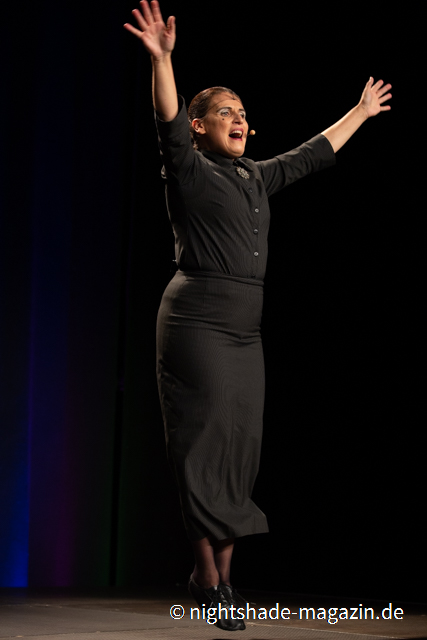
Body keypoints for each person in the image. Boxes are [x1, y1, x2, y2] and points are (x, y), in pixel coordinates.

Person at [124, 1, 391, 631]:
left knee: (238, 449)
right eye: (226, 112)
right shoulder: (188, 169)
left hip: (245, 331)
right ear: (199, 127)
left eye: (243, 112)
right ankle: (211, 581)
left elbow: (309, 154)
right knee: (203, 446)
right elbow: (167, 120)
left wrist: (359, 112)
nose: (239, 119)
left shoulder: (254, 177)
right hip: (196, 322)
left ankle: (216, 578)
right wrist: (162, 60)